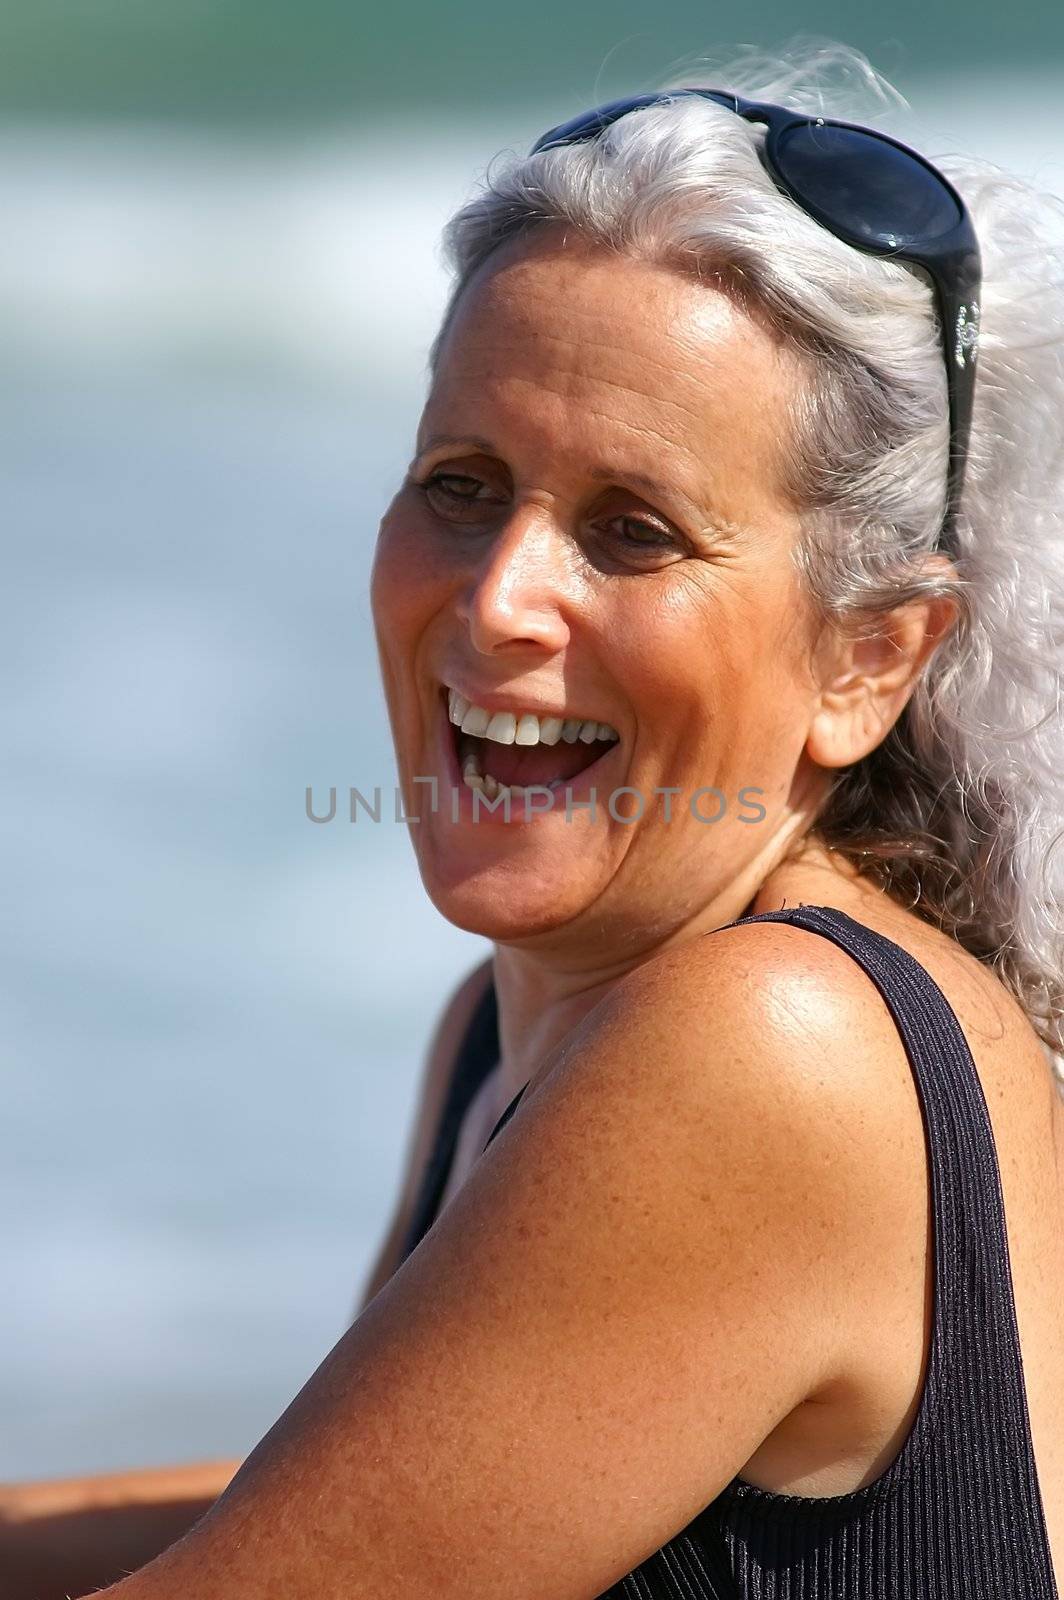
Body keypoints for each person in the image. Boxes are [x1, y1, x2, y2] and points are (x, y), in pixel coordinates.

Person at [4, 42, 1064, 1599]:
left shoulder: (775, 1044)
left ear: (867, 658)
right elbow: (368, 1501)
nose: (500, 601)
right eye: (460, 483)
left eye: (633, 533)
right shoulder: (515, 1028)